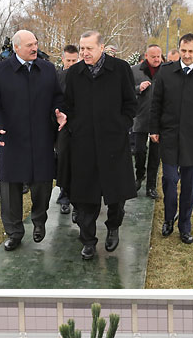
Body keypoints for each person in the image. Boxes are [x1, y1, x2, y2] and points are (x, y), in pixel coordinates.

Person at [55, 29, 137, 261]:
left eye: (89, 48)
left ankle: (113, 228)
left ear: (101, 47)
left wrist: (121, 125)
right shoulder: (74, 73)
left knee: (116, 196)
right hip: (83, 145)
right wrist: (68, 121)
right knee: (84, 197)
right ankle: (88, 240)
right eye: (82, 48)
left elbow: (130, 104)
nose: (84, 52)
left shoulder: (120, 69)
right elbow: (67, 104)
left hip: (113, 143)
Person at [0, 28, 61, 250]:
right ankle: (14, 232)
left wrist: (59, 111)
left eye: (35, 43)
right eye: (29, 45)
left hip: (42, 138)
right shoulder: (0, 71)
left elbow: (58, 97)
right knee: (10, 188)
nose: (34, 48)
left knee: (42, 185)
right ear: (16, 48)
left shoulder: (47, 69)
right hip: (12, 139)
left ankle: (39, 221)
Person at [149, 33, 193, 243]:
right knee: (170, 180)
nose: (187, 55)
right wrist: (154, 129)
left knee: (189, 185)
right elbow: (156, 104)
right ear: (178, 50)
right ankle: (169, 219)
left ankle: (185, 226)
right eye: (183, 50)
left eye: (191, 51)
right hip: (169, 137)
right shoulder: (166, 72)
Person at [132, 42, 164, 196]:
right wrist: (138, 88)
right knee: (139, 151)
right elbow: (126, 91)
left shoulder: (166, 71)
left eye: (158, 56)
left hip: (159, 120)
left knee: (155, 155)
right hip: (140, 117)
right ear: (146, 56)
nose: (157, 59)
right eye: (153, 56)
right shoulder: (134, 71)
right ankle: (139, 175)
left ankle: (151, 186)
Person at [56, 43, 79, 211]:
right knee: (63, 158)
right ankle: (64, 194)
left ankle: (77, 198)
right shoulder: (57, 77)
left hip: (80, 125)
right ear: (63, 59)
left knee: (79, 161)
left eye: (74, 60)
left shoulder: (83, 77)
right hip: (62, 124)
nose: (71, 64)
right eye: (68, 60)